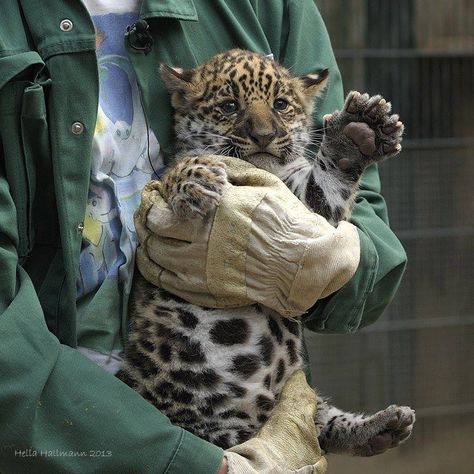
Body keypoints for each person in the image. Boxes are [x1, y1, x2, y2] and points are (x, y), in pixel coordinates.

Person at [0, 0, 407, 472]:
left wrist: (336, 258)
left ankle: (326, 425)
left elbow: (370, 243)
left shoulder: (271, 9)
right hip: (100, 426)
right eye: (231, 107)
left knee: (289, 400)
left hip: (261, 398)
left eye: (277, 106)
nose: (259, 129)